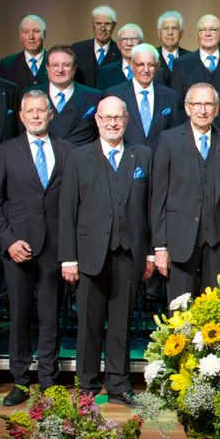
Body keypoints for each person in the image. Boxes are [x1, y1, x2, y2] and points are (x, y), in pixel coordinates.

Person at [58, 96, 153, 406]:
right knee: (89, 322)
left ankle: (118, 384)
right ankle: (86, 385)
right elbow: (67, 210)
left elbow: (151, 208)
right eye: (106, 117)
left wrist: (151, 252)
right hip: (88, 255)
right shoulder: (78, 156)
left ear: (126, 121)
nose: (113, 123)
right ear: (97, 120)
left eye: (118, 117)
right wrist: (68, 257)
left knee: (121, 323)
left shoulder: (143, 156)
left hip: (129, 254)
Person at [0, 89, 72, 405]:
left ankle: (49, 381)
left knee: (51, 317)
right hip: (18, 249)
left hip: (55, 247)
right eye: (30, 111)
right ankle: (21, 382)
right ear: (21, 117)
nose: (36, 115)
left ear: (51, 114)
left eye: (42, 110)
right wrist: (8, 242)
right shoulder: (6, 152)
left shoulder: (67, 151)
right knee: (20, 316)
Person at [151, 83, 220, 300]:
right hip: (180, 242)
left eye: (208, 104)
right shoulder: (169, 141)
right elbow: (158, 197)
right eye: (197, 104)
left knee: (215, 313)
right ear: (187, 108)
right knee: (180, 314)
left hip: (219, 242)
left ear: (216, 108)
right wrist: (159, 246)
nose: (202, 110)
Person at [170, 14, 220, 135]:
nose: (208, 34)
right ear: (196, 34)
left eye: (213, 30)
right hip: (192, 138)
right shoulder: (181, 64)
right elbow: (177, 108)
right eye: (203, 30)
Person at [106, 43, 182, 151]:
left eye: (150, 65)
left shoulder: (171, 97)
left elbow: (176, 136)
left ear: (157, 66)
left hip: (160, 162)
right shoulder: (114, 95)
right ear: (132, 65)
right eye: (140, 64)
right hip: (127, 161)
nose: (146, 70)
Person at [38, 45, 101, 146]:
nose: (60, 70)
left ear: (74, 67)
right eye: (55, 65)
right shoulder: (31, 96)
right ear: (47, 68)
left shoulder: (94, 97)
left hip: (82, 159)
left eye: (66, 65)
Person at [0, 15, 48, 91]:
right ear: (20, 36)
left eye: (36, 31)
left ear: (44, 34)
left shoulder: (55, 63)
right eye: (26, 32)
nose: (31, 37)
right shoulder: (7, 65)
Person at [71, 5, 118, 87]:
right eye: (98, 24)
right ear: (93, 25)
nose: (102, 28)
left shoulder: (119, 51)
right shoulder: (77, 49)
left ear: (114, 25)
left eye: (107, 24)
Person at [98, 23, 143, 91]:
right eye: (124, 39)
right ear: (118, 44)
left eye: (134, 39)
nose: (129, 43)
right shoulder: (105, 72)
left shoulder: (154, 72)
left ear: (141, 43)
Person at [155, 10, 189, 81]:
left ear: (181, 33)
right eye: (166, 28)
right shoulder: (151, 57)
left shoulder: (190, 58)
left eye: (174, 28)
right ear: (159, 33)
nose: (170, 33)